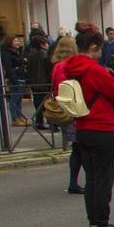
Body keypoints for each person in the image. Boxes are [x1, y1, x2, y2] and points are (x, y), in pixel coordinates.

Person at [55, 23, 114, 227]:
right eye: (99, 49)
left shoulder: (69, 67)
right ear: (92, 48)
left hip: (83, 126)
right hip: (102, 127)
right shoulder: (93, 70)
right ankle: (101, 223)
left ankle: (93, 222)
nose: (101, 53)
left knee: (91, 178)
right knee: (103, 179)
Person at [49, 33, 85, 193]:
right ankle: (77, 181)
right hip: (73, 109)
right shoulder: (68, 66)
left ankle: (73, 181)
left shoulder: (56, 65)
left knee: (77, 148)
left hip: (63, 108)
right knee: (81, 147)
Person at [25, 31, 53, 131]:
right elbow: (48, 69)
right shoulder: (44, 55)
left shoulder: (30, 54)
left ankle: (39, 122)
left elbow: (28, 69)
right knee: (48, 104)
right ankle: (51, 123)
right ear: (42, 44)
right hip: (44, 82)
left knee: (38, 104)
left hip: (35, 83)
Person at [0, 33, 29, 127]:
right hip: (15, 78)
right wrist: (14, 79)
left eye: (18, 41)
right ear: (9, 42)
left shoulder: (17, 51)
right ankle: (15, 118)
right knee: (14, 99)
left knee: (19, 99)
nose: (18, 42)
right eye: (15, 41)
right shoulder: (6, 53)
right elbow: (8, 67)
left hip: (21, 76)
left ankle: (19, 116)